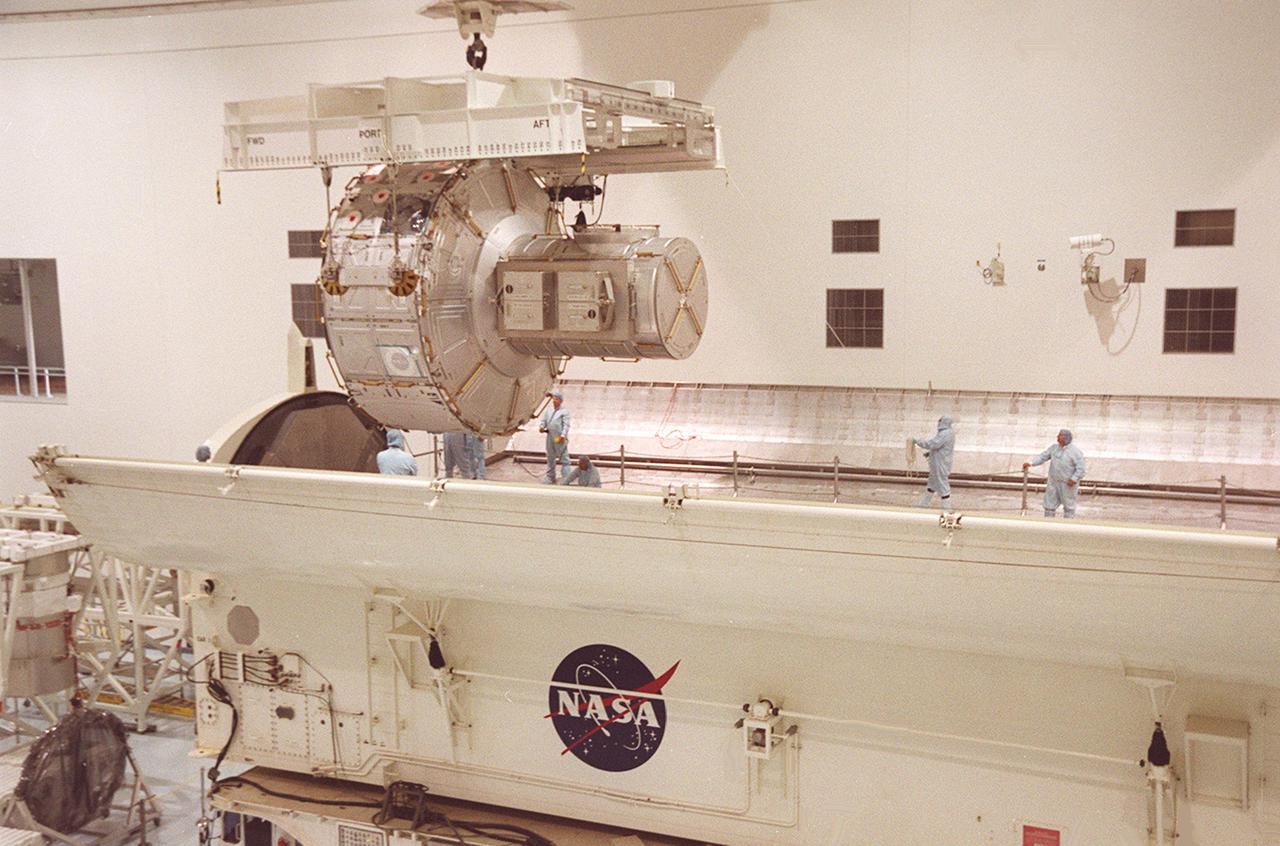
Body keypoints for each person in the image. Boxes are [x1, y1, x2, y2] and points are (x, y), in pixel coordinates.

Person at [1024, 429, 1086, 518]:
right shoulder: (1054, 448)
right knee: (1049, 505)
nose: (1057, 437)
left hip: (1068, 484)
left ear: (1065, 438)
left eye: (1059, 435)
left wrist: (1074, 479)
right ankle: (1048, 524)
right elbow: (1043, 457)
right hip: (1053, 482)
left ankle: (1067, 526)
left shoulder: (1076, 452)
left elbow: (1081, 469)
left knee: (1069, 506)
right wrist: (1031, 463)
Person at [912, 416, 955, 510]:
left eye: (940, 421)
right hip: (938, 461)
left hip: (940, 463)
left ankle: (947, 507)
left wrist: (918, 441)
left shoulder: (945, 433)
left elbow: (933, 444)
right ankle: (924, 504)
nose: (938, 423)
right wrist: (930, 454)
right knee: (932, 483)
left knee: (942, 483)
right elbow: (940, 447)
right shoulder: (947, 432)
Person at [539, 388, 570, 483]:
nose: (553, 400)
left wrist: (563, 435)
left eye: (556, 398)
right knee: (550, 457)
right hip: (550, 437)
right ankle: (550, 477)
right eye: (553, 398)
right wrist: (541, 426)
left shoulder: (564, 412)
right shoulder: (549, 411)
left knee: (564, 457)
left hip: (559, 438)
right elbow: (544, 421)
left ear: (560, 400)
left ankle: (566, 478)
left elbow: (566, 425)